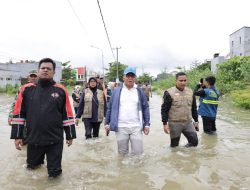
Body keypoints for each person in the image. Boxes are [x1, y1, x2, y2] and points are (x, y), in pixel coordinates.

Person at [10, 58, 76, 178]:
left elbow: (67, 114)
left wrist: (70, 135)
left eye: (49, 69)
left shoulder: (61, 90)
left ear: (54, 72)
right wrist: (17, 136)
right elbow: (19, 114)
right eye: (43, 68)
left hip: (55, 140)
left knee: (55, 174)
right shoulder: (26, 89)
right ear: (38, 70)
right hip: (33, 139)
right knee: (32, 171)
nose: (45, 70)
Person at [105, 67, 150, 155]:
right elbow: (110, 108)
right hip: (120, 127)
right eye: (128, 76)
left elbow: (145, 108)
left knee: (138, 154)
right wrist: (107, 123)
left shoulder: (139, 91)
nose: (130, 78)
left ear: (135, 78)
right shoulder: (116, 91)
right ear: (123, 77)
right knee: (122, 154)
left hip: (136, 126)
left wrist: (147, 124)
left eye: (132, 76)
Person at [161, 72, 199, 147]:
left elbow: (194, 108)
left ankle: (184, 154)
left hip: (188, 123)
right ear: (176, 81)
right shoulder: (169, 92)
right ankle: (176, 157)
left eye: (185, 80)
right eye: (181, 81)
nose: (183, 82)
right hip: (175, 123)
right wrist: (165, 124)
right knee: (174, 146)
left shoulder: (190, 92)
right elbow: (164, 109)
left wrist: (196, 121)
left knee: (194, 142)